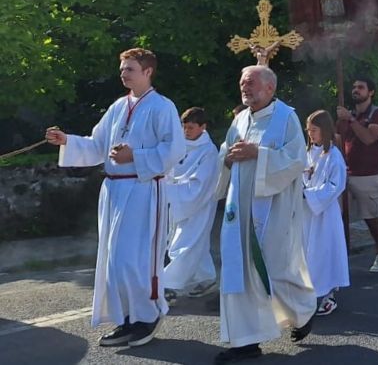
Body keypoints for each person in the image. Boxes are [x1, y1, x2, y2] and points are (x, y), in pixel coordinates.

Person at [44, 48, 185, 348]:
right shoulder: (118, 106)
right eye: (122, 68)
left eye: (130, 68)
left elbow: (174, 151)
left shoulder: (163, 107)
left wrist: (136, 155)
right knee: (115, 262)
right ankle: (127, 319)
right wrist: (67, 140)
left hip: (144, 189)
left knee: (134, 260)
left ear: (148, 72)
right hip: (114, 191)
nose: (123, 73)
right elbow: (97, 145)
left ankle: (147, 316)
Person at [215, 65, 314, 363]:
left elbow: (297, 159)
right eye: (242, 83)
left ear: (270, 88)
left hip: (274, 209)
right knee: (238, 271)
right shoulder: (240, 119)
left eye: (251, 83)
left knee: (273, 269)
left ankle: (304, 311)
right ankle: (245, 341)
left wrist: (259, 154)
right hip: (239, 208)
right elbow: (225, 153)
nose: (245, 89)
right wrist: (228, 158)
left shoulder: (286, 118)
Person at [163, 107, 221, 302]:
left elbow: (202, 183)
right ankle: (206, 278)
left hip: (199, 202)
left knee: (185, 244)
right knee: (197, 243)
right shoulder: (179, 144)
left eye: (191, 127)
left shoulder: (209, 151)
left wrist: (171, 190)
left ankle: (167, 285)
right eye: (184, 126)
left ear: (203, 127)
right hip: (179, 199)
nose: (186, 131)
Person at [335, 78, 378, 273]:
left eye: (361, 87)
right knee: (336, 215)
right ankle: (337, 255)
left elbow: (368, 138)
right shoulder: (347, 116)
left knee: (372, 217)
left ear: (371, 92)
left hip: (368, 175)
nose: (355, 90)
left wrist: (350, 120)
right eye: (354, 87)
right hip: (344, 173)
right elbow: (337, 139)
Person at [302, 110, 349, 317]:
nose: (311, 134)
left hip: (325, 213)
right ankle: (307, 294)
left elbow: (335, 185)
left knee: (325, 253)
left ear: (326, 131)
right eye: (309, 130)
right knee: (308, 254)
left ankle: (329, 295)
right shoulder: (307, 153)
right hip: (306, 213)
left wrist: (309, 195)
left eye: (314, 130)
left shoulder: (334, 156)